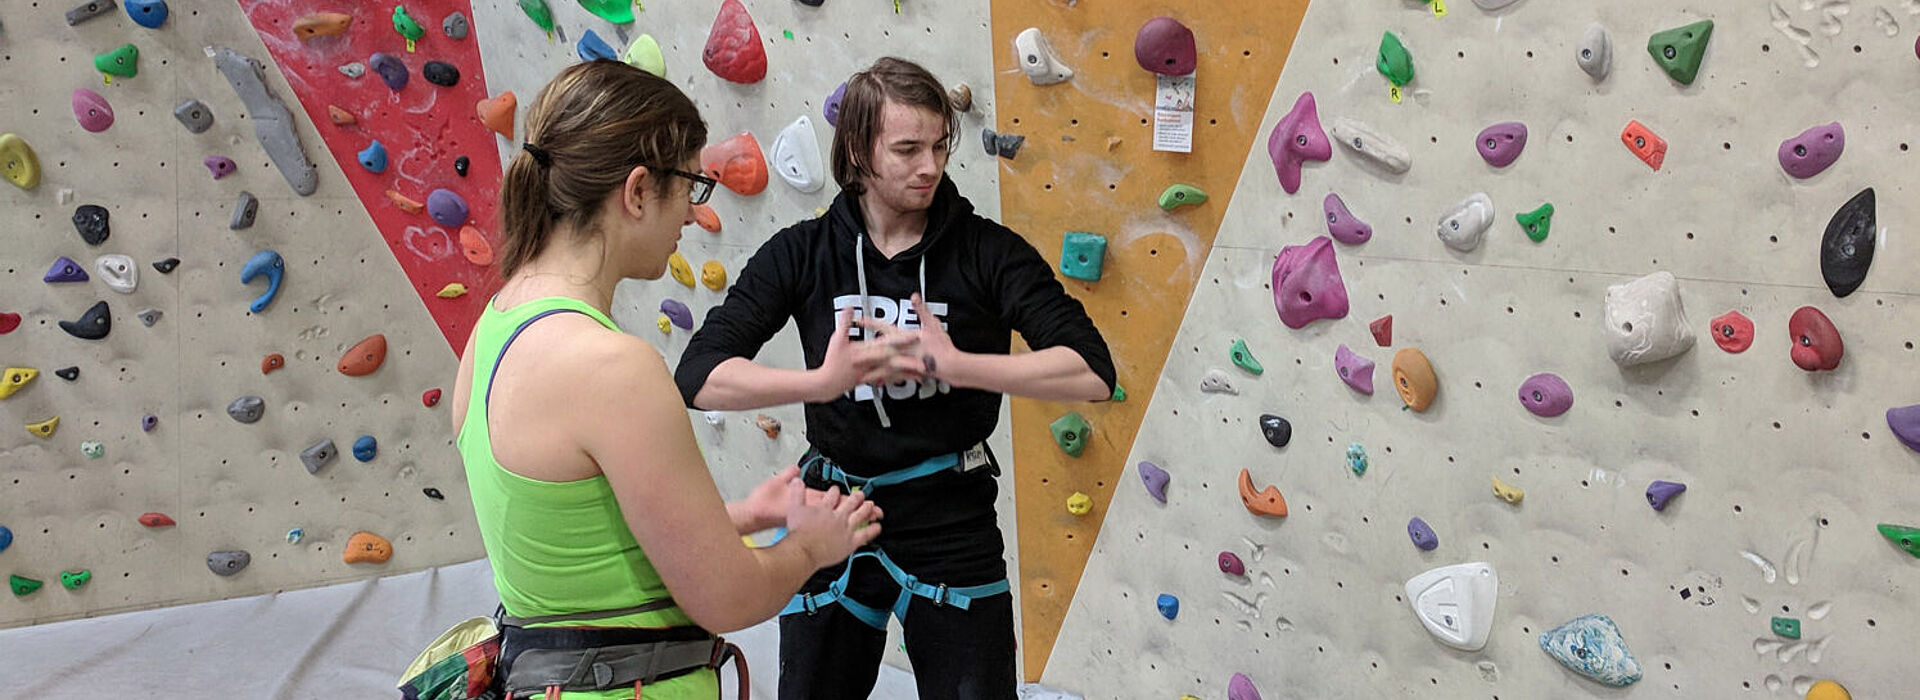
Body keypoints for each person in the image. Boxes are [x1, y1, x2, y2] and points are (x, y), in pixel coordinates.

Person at [674, 57, 1117, 699]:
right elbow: (698, 376)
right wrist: (818, 384)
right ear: (857, 150)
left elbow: (1093, 372)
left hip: (950, 514)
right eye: (907, 148)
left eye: (939, 146)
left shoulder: (986, 252)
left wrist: (958, 365)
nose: (930, 166)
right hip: (835, 507)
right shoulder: (802, 252)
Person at [449, 60, 883, 700]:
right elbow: (727, 598)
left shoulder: (494, 327)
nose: (690, 213)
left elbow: (581, 549)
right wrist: (810, 547)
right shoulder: (609, 366)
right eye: (689, 185)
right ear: (637, 191)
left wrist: (737, 516)